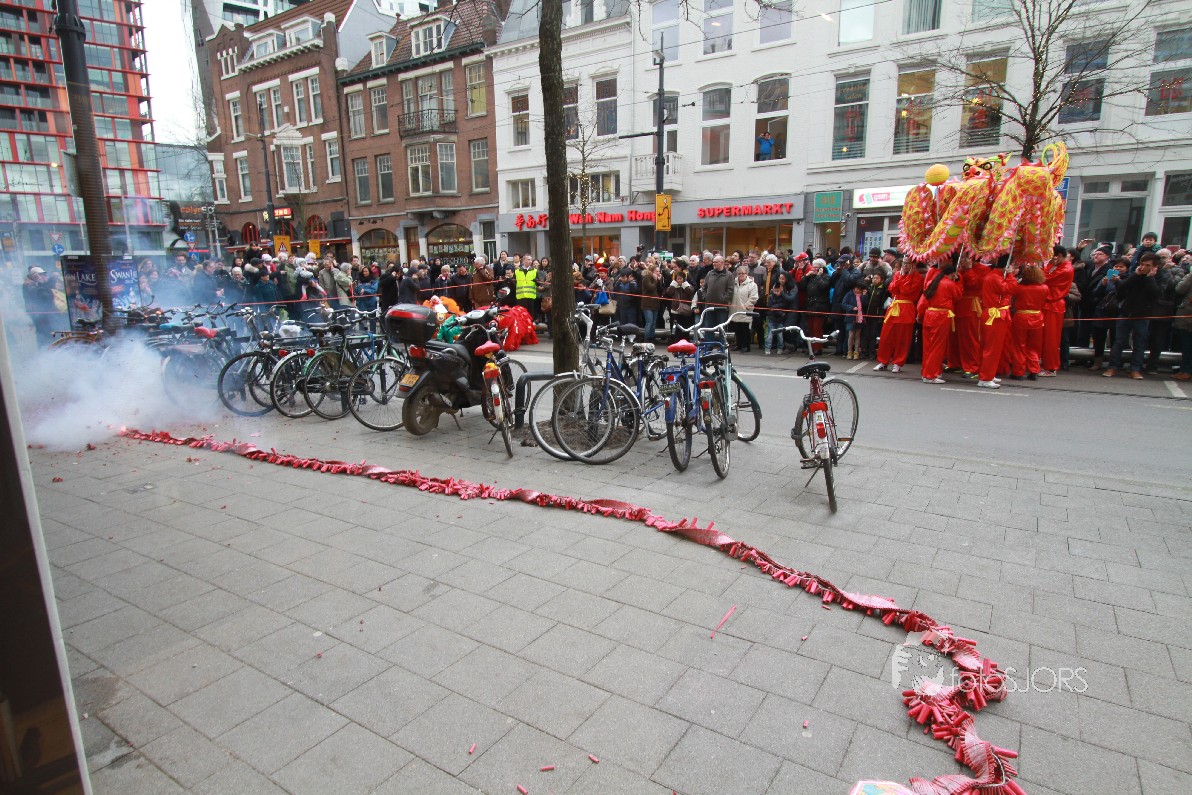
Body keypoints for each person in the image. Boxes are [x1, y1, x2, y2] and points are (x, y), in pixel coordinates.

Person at [1103, 253, 1161, 379]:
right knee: (1119, 342)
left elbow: (1155, 293)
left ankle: (1135, 368)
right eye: (1142, 264)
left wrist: (1150, 278)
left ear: (1154, 267)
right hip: (1126, 313)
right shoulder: (1135, 275)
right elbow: (1122, 287)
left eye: (1147, 265)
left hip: (1143, 316)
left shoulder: (1157, 277)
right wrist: (1135, 275)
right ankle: (1112, 367)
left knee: (1139, 343)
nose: (1143, 267)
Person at [874, 258, 924, 372]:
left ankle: (898, 363)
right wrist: (901, 277)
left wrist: (907, 277)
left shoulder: (917, 277)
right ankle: (883, 361)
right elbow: (892, 288)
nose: (905, 266)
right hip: (894, 307)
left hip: (906, 308)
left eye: (908, 264)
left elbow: (906, 290)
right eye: (904, 263)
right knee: (886, 336)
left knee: (903, 338)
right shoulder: (897, 274)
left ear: (913, 265)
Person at [916, 261, 961, 383]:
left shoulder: (931, 282)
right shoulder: (950, 284)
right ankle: (931, 375)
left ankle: (926, 372)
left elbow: (923, 301)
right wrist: (957, 281)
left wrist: (920, 315)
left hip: (929, 315)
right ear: (952, 274)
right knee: (937, 347)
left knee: (928, 346)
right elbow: (958, 296)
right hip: (941, 316)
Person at [1004, 264, 1048, 380]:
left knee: (1019, 346)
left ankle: (1018, 371)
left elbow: (1012, 294)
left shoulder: (1020, 288)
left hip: (1021, 317)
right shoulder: (1044, 288)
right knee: (1034, 346)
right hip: (1037, 317)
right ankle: (1034, 370)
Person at [975, 256, 1012, 388]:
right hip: (995, 315)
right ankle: (985, 378)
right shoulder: (996, 278)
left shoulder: (994, 276)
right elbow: (1010, 289)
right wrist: (1011, 275)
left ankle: (986, 373)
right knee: (992, 348)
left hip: (992, 313)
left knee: (988, 346)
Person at [1040, 245, 1075, 376]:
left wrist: (1048, 264)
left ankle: (1051, 367)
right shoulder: (1060, 266)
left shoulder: (1065, 269)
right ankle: (1046, 364)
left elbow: (1043, 277)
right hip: (1050, 304)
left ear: (1059, 256)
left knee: (1051, 338)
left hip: (1054, 305)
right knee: (1045, 337)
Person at [801, 259, 832, 354]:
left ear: (821, 268)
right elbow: (802, 286)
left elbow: (824, 287)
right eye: (813, 267)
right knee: (810, 328)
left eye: (816, 267)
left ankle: (818, 348)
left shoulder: (826, 277)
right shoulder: (811, 277)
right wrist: (806, 276)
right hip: (810, 305)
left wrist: (819, 276)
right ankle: (812, 347)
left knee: (817, 328)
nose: (813, 269)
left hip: (820, 305)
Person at [764, 271, 797, 354]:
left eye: (783, 279)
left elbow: (791, 298)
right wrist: (775, 291)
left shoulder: (793, 287)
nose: (781, 280)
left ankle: (791, 346)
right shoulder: (779, 286)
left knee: (788, 327)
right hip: (781, 310)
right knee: (780, 330)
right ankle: (781, 346)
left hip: (791, 309)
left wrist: (781, 292)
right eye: (780, 278)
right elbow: (774, 296)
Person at [22, 266, 57, 346]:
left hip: (45, 316)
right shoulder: (31, 286)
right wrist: (41, 282)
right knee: (46, 338)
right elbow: (46, 297)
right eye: (42, 275)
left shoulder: (37, 285)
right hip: (42, 317)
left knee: (49, 337)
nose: (45, 276)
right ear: (36, 276)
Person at [697, 255, 733, 330]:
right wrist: (705, 297)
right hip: (709, 306)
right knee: (708, 327)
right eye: (713, 262)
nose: (714, 264)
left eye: (716, 262)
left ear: (722, 262)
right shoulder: (709, 273)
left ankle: (721, 338)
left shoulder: (729, 275)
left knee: (721, 328)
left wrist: (723, 299)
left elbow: (730, 290)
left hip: (722, 307)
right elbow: (704, 287)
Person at [729, 266, 758, 352]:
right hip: (734, 310)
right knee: (737, 329)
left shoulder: (752, 285)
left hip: (745, 311)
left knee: (745, 329)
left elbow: (754, 297)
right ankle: (738, 345)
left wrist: (746, 306)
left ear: (746, 274)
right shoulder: (732, 283)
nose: (741, 275)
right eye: (739, 273)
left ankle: (746, 346)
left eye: (743, 273)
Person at [664, 270, 695, 340]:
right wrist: (673, 285)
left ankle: (686, 341)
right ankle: (676, 341)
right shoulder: (674, 287)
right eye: (677, 279)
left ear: (684, 279)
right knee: (677, 328)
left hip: (685, 310)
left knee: (686, 327)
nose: (679, 280)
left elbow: (690, 292)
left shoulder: (689, 286)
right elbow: (668, 293)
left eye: (680, 279)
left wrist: (685, 286)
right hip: (676, 310)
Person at [841, 281, 865, 359]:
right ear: (854, 288)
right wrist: (851, 308)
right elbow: (844, 304)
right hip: (850, 317)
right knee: (851, 335)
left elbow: (865, 304)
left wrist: (864, 296)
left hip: (860, 317)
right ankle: (849, 352)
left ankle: (856, 352)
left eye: (860, 289)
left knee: (858, 335)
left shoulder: (862, 295)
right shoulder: (849, 294)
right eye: (857, 288)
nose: (858, 290)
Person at [640, 261, 662, 342]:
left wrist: (659, 281)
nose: (658, 273)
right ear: (652, 272)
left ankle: (652, 337)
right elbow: (651, 288)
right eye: (656, 271)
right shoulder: (647, 278)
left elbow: (660, 289)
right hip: (647, 303)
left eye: (659, 271)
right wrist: (655, 280)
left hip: (655, 303)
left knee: (653, 322)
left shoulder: (657, 279)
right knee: (649, 322)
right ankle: (647, 338)